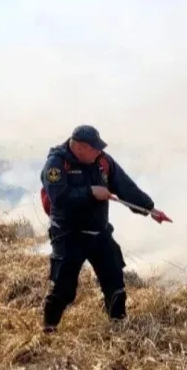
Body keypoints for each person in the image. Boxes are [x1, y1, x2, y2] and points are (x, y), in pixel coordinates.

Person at [39, 124, 169, 333]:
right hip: (68, 234)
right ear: (79, 147)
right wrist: (90, 192)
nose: (99, 152)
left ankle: (118, 327)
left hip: (99, 233)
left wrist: (149, 208)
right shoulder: (56, 164)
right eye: (94, 148)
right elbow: (59, 198)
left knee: (115, 281)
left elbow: (125, 186)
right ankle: (49, 328)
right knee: (64, 288)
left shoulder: (102, 161)